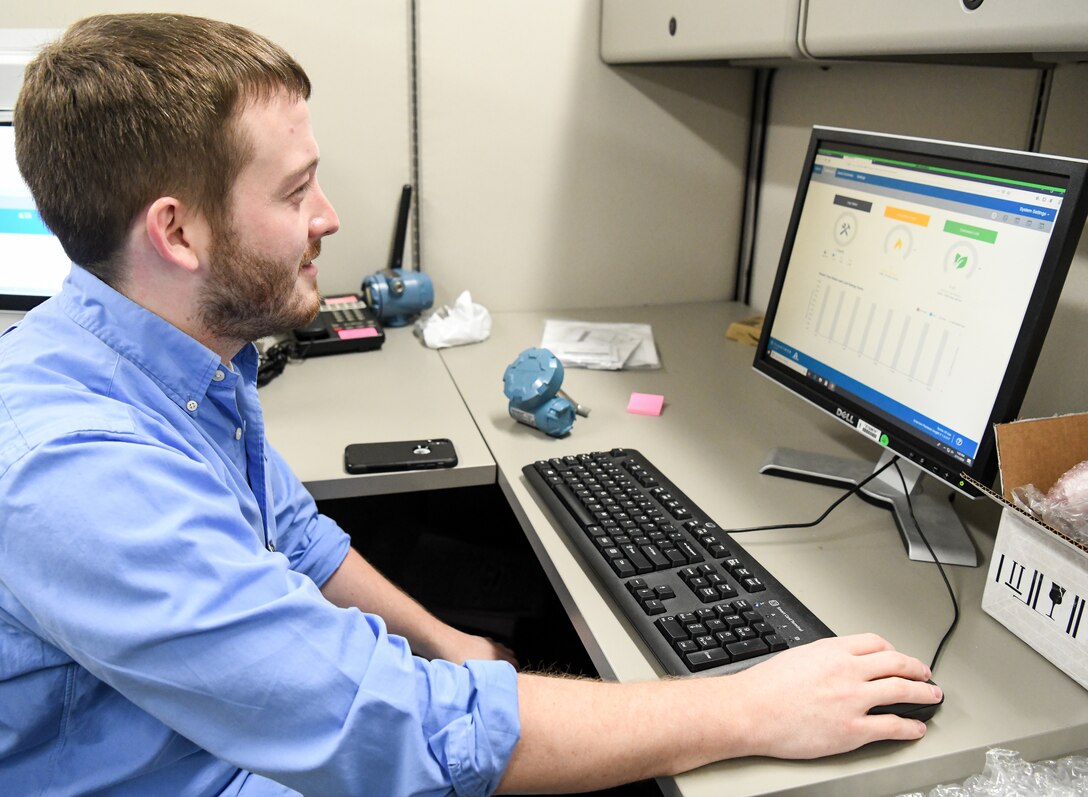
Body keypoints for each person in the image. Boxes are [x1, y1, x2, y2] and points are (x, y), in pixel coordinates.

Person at [0, 13, 942, 796]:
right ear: (178, 232)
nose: (328, 215)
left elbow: (292, 536)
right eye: (295, 191)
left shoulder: (169, 354)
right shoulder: (78, 472)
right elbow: (395, 731)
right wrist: (749, 707)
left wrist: (455, 644)